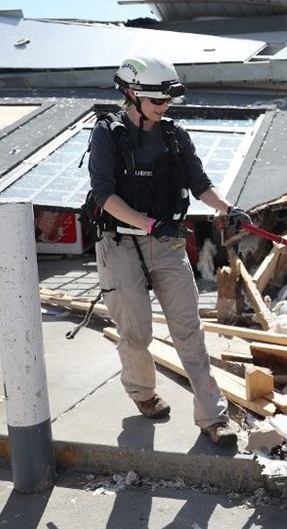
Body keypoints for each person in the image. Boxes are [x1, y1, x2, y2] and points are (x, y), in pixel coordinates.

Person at [88, 55, 252, 445]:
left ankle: (213, 418)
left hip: (167, 242)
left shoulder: (175, 136)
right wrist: (148, 224)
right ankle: (143, 393)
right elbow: (104, 195)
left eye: (168, 102)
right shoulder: (108, 134)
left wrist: (228, 209)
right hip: (120, 242)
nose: (164, 108)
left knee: (188, 330)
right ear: (131, 94)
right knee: (137, 332)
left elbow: (200, 184)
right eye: (156, 101)